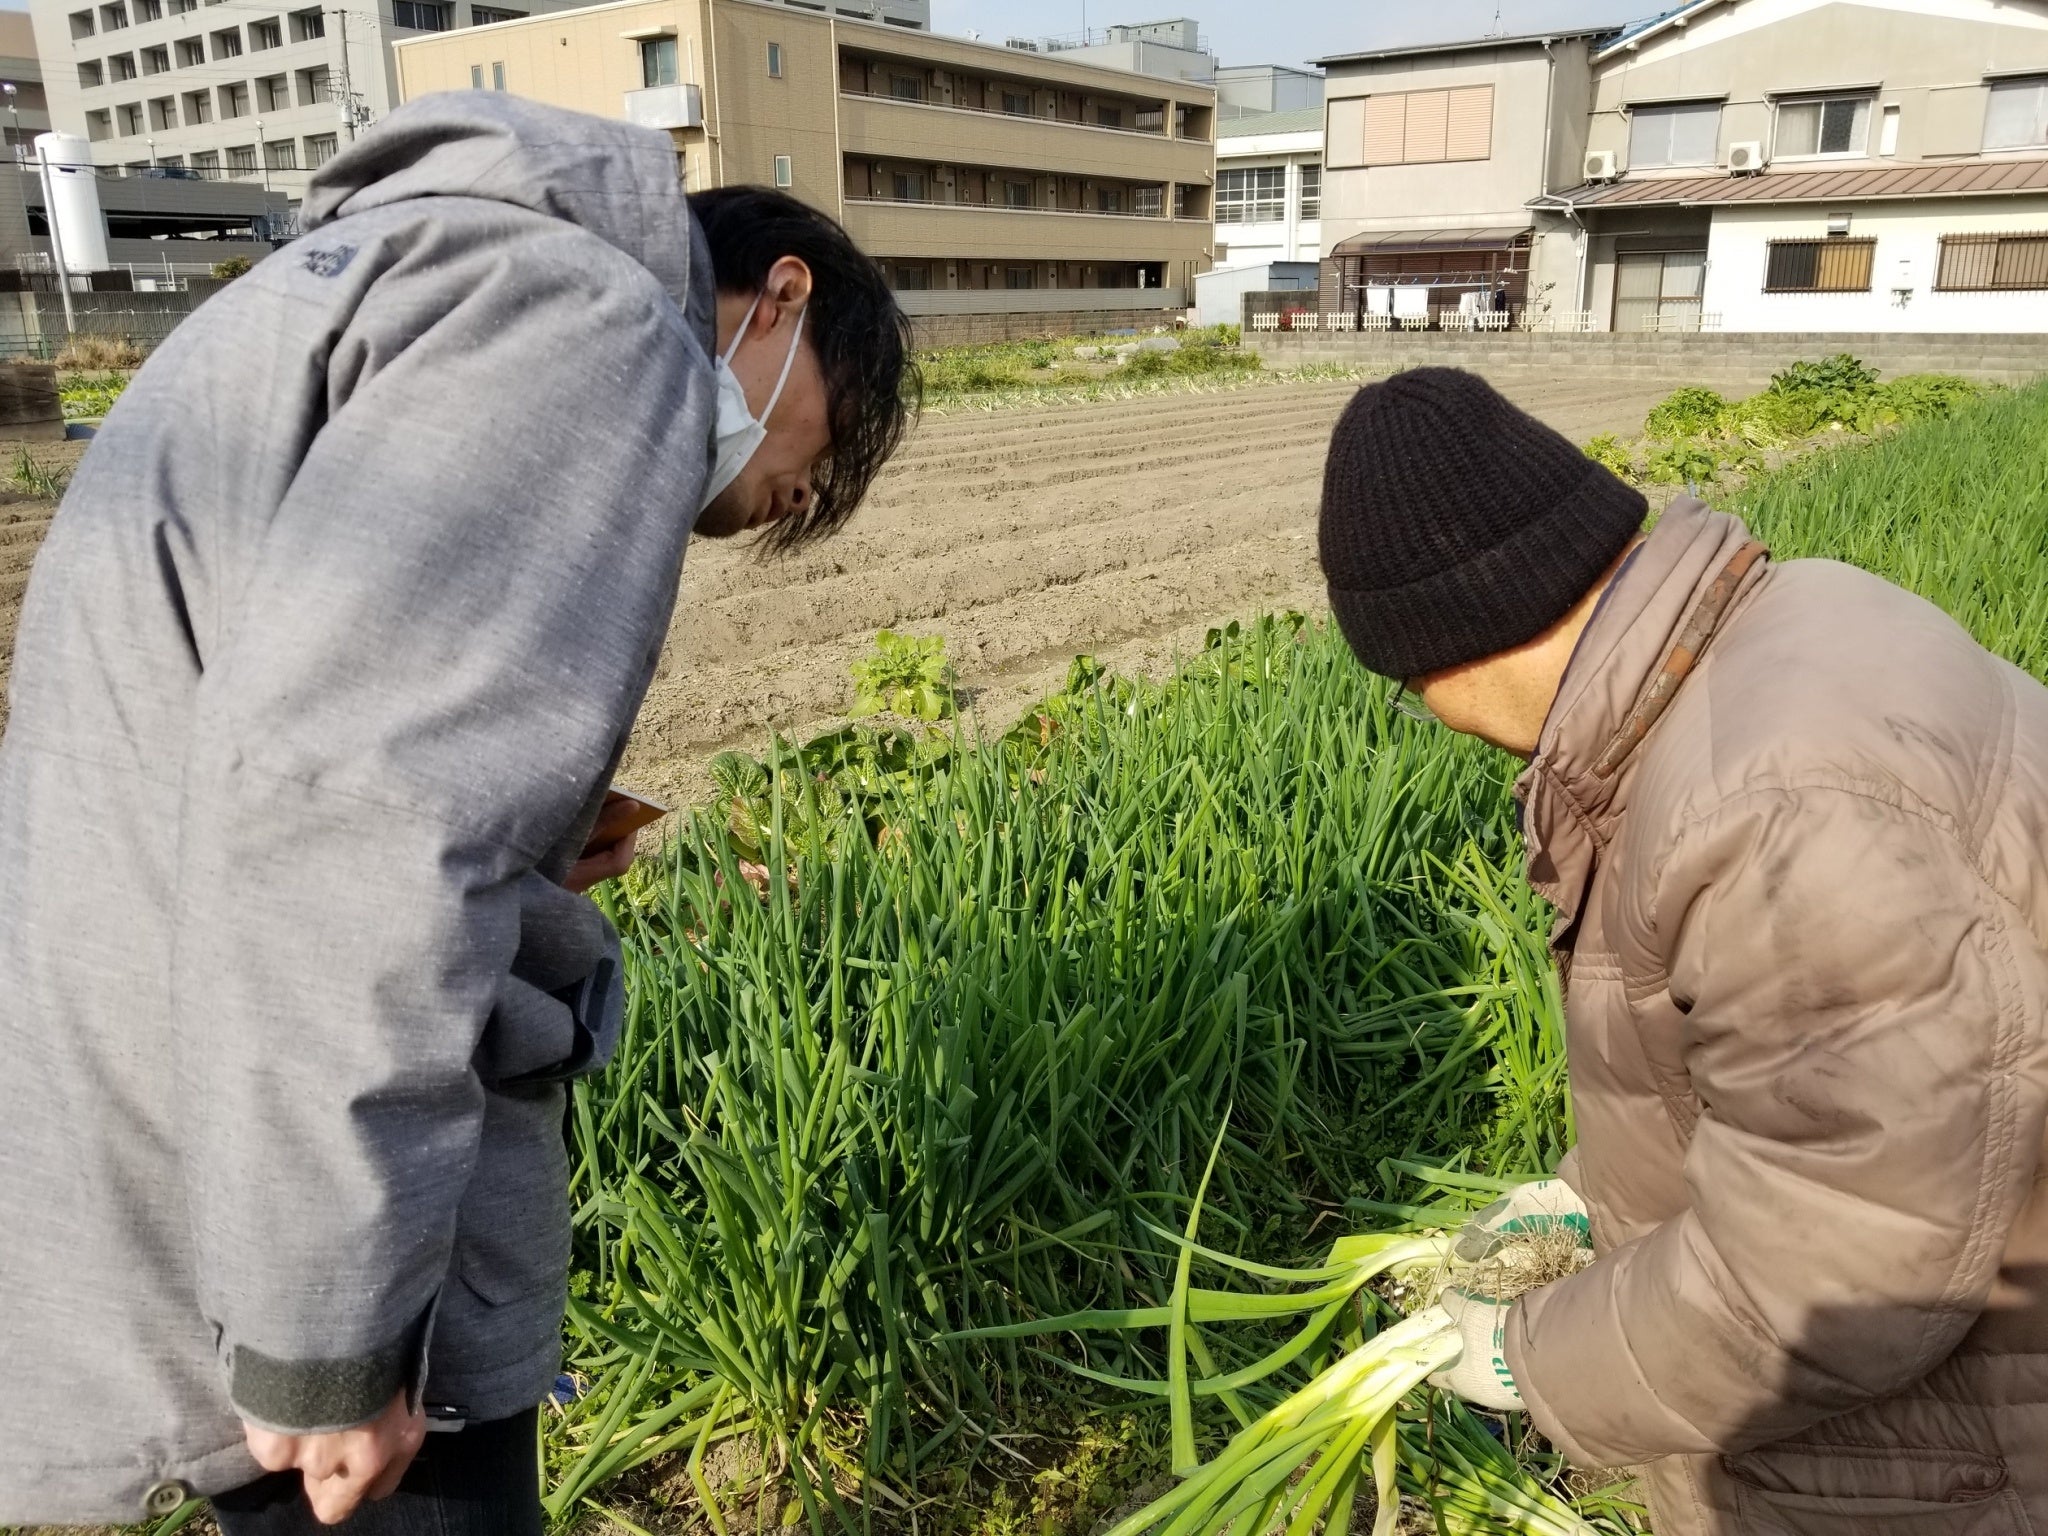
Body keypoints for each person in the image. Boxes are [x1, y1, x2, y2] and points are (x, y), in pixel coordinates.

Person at [0, 93, 911, 1529]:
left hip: (187, 1088)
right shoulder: (585, 323)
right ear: (782, 295)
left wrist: (527, 829)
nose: (799, 501)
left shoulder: (379, 277)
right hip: (299, 1188)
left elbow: (294, 731)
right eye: (826, 449)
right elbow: (357, 826)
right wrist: (328, 1338)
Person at [1318, 367, 2048, 1535]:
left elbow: (1840, 1253)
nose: (1438, 723)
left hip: (1960, 1452)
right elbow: (1787, 1081)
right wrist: (1580, 1196)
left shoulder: (1771, 806)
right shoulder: (1786, 622)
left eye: (1411, 693)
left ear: (1456, 649)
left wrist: (1528, 1361)